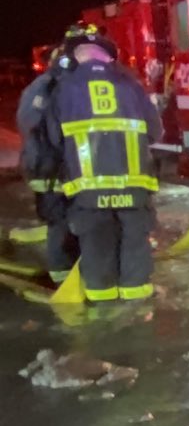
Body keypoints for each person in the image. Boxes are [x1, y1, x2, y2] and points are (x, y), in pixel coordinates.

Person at [41, 24, 162, 305]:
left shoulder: (63, 89)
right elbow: (155, 132)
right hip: (135, 186)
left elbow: (53, 140)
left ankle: (101, 312)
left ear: (76, 56)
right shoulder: (132, 85)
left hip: (87, 190)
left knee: (96, 247)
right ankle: (138, 311)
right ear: (107, 56)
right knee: (135, 246)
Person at [16, 36, 79, 283]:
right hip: (50, 171)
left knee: (73, 220)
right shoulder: (45, 88)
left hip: (62, 168)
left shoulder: (62, 86)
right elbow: (32, 124)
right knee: (60, 223)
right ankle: (61, 277)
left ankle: (74, 270)